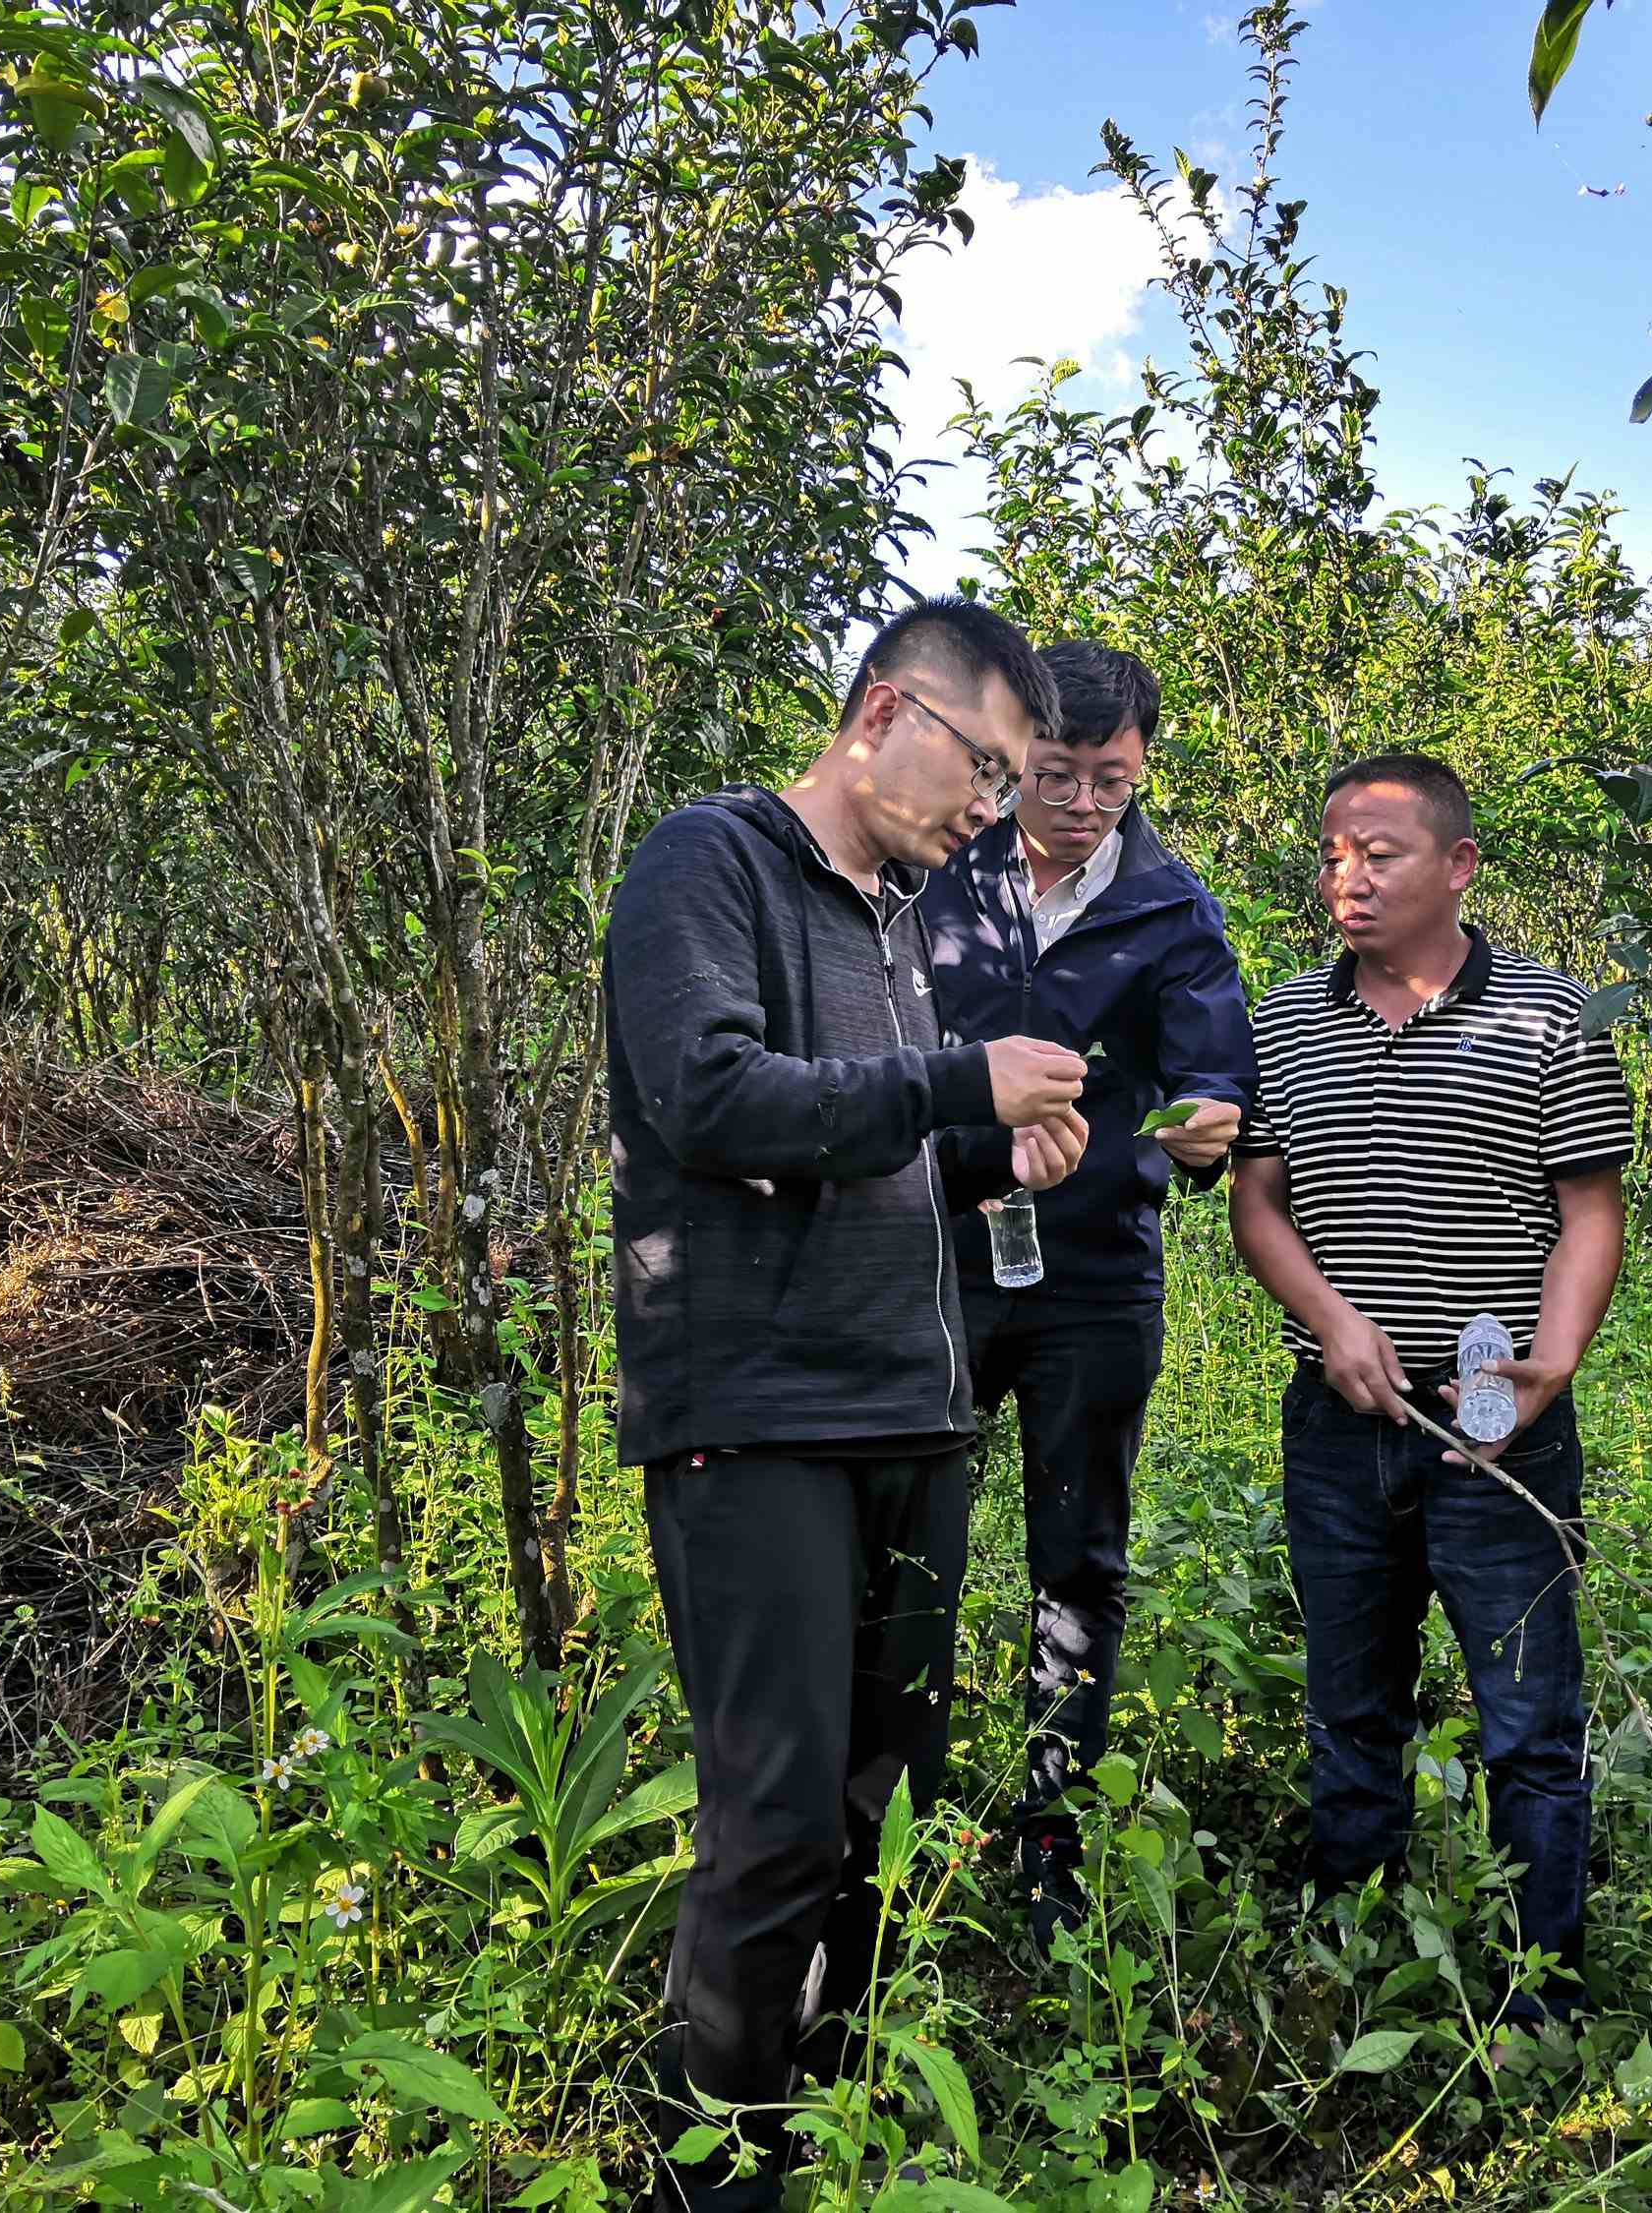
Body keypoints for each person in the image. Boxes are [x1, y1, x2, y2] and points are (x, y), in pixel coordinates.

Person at [604, 596, 1093, 2211]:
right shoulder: (709, 862)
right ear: (885, 712)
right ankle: (715, 2181)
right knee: (776, 1821)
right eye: (986, 766)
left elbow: (863, 1148)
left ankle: (831, 2127)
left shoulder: (896, 921)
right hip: (756, 1418)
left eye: (1010, 782)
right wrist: (959, 1081)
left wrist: (986, 1150)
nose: (991, 810)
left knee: (890, 1809)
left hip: (910, 1411)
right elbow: (709, 1094)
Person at [1227, 750, 1631, 2022]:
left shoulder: (1554, 1017)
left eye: (1379, 855)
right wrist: (1331, 1320)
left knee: (1528, 1721)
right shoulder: (1282, 1021)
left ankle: (1543, 2002)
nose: (1346, 879)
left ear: (1458, 866)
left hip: (1495, 1425)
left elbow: (1590, 1211)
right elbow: (1256, 1202)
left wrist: (1552, 1363)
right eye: (1333, 856)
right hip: (1339, 1423)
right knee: (1351, 1708)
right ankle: (1352, 1972)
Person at [921, 640, 1256, 1948]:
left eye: (1111, 781)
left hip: (1096, 1275)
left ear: (1144, 764)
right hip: (937, 1258)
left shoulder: (1173, 909)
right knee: (908, 1546)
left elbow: (1211, 1077)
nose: (1080, 805)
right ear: (1014, 757)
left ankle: (1050, 1842)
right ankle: (892, 1827)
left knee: (1077, 1563)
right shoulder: (938, 871)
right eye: (1055, 776)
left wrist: (1199, 1126)